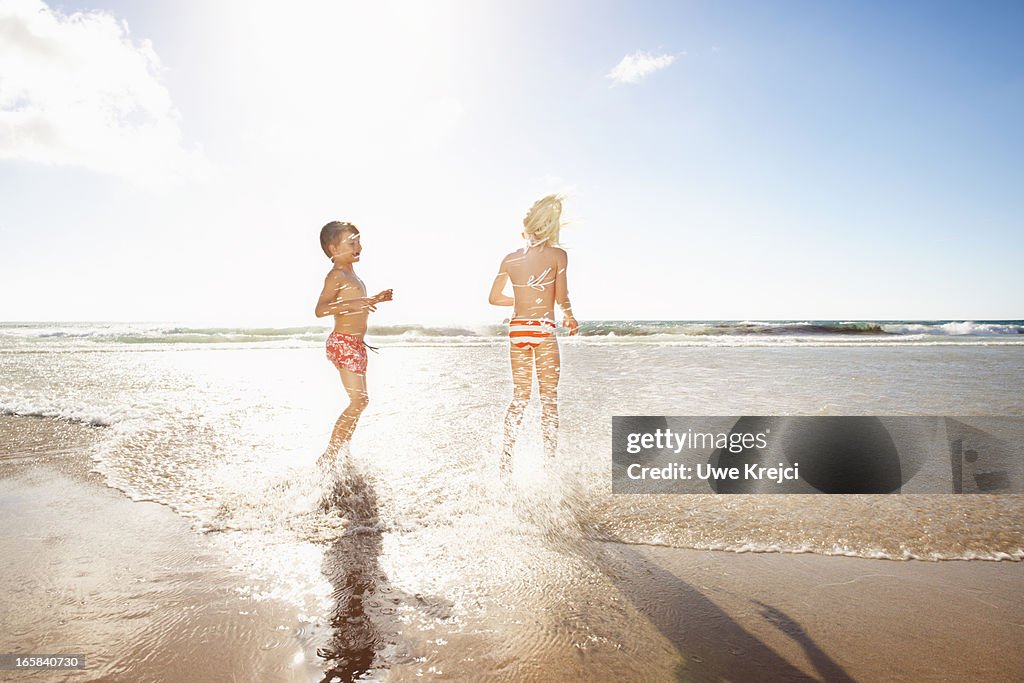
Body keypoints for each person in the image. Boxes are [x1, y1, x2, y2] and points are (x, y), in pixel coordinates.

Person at [488, 195, 578, 473]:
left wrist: (521, 299)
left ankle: (506, 458)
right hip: (542, 328)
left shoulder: (510, 259)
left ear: (524, 229)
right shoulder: (557, 255)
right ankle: (549, 463)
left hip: (517, 329)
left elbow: (493, 298)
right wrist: (570, 316)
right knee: (548, 398)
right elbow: (561, 296)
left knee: (520, 396)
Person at [314, 221, 393, 470]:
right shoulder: (336, 275)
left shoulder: (352, 276)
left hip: (357, 345)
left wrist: (374, 299)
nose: (358, 246)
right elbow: (321, 310)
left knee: (362, 401)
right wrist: (356, 304)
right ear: (333, 248)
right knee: (358, 401)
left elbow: (357, 304)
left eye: (358, 240)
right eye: (351, 242)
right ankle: (328, 457)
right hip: (343, 342)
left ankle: (343, 453)